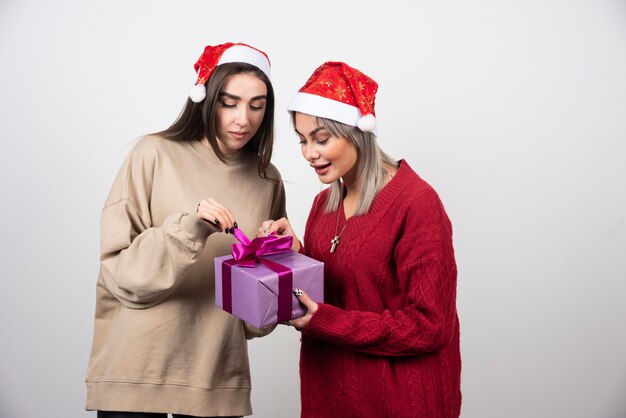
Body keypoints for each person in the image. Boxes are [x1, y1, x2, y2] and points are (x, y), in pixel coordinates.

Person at [85, 42, 286, 418]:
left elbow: (256, 319)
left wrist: (281, 258)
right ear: (206, 99)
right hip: (136, 373)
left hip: (216, 376)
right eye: (229, 102)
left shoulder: (267, 179)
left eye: (256, 106)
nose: (244, 118)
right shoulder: (152, 153)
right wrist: (190, 229)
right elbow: (119, 272)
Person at [261, 62, 461, 417]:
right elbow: (339, 289)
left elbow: (431, 325)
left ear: (357, 132)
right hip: (330, 395)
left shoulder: (416, 203)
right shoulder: (324, 204)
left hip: (395, 402)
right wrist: (294, 254)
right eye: (303, 140)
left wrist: (328, 321)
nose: (309, 153)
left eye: (321, 139)